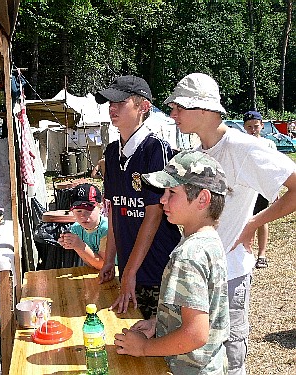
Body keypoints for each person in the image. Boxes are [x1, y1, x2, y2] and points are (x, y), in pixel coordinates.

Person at [164, 73, 296, 375]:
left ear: (203, 109)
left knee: (230, 357)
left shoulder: (243, 148)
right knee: (201, 356)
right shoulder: (195, 154)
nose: (172, 114)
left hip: (230, 274)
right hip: (198, 276)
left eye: (179, 107)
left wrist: (252, 223)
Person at [115, 150, 230, 375]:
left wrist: (145, 347)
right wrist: (161, 323)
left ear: (203, 199)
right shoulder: (207, 242)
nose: (162, 199)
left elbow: (195, 334)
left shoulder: (189, 254)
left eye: (171, 192)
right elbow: (200, 312)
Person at [94, 75, 182, 319]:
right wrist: (110, 260)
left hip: (157, 269)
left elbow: (153, 215)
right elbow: (115, 210)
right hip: (130, 269)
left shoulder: (156, 149)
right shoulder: (112, 152)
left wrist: (130, 272)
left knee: (158, 341)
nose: (112, 108)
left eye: (120, 103)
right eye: (110, 104)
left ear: (143, 107)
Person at [242, 110, 277, 269]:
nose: (252, 130)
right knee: (245, 219)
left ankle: (262, 254)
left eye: (255, 126)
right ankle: (246, 251)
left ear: (262, 126)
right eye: (249, 127)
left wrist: (274, 189)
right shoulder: (241, 144)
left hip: (262, 187)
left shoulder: (268, 144)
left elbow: (274, 168)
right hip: (245, 187)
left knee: (262, 219)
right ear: (244, 127)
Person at [58, 183, 109, 269]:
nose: (83, 216)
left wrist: (79, 246)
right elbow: (89, 262)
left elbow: (103, 265)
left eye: (88, 210)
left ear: (100, 206)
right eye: (78, 211)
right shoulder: (76, 229)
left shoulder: (107, 229)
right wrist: (70, 243)